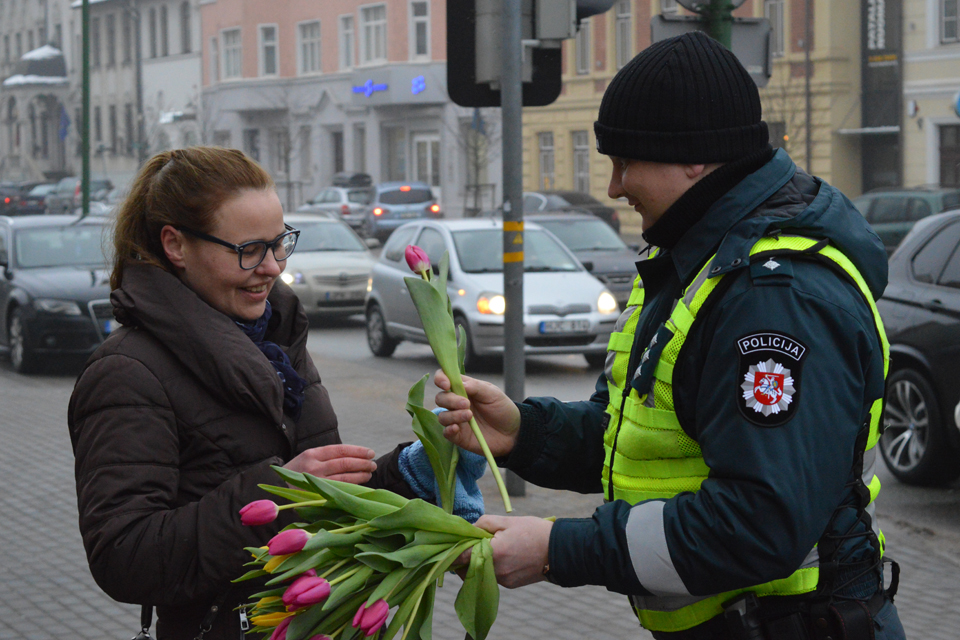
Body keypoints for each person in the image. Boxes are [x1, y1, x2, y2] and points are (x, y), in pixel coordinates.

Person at [436, 32, 905, 640]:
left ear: (694, 158)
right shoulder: (697, 261)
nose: (613, 186)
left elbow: (759, 524)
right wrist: (524, 433)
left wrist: (559, 547)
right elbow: (647, 445)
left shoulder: (774, 299)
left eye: (625, 161)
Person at [68, 147, 483, 640]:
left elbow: (329, 506)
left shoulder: (277, 345)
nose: (271, 268)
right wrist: (279, 494)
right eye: (248, 249)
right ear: (176, 245)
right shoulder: (127, 373)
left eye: (279, 243)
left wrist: (420, 467)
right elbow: (125, 556)